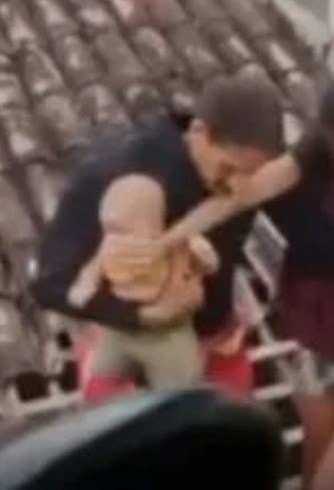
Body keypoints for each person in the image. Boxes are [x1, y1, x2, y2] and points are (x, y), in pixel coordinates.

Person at [156, 69, 334, 490]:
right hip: (318, 315)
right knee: (318, 446)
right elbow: (243, 195)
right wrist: (169, 238)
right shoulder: (320, 151)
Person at [29, 75, 288, 399]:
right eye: (228, 170)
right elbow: (50, 282)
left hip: (216, 346)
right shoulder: (115, 175)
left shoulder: (255, 173)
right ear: (198, 133)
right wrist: (140, 317)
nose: (238, 187)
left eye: (250, 176)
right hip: (128, 352)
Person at [65, 193, 219, 388]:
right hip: (122, 327)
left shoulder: (182, 240)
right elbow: (88, 279)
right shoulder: (111, 244)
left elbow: (210, 265)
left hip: (171, 331)